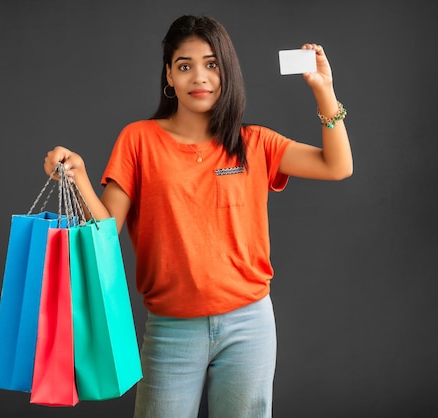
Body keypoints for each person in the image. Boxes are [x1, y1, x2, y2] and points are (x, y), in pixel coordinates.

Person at [44, 14, 352, 418]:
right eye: (184, 66)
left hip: (250, 325)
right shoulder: (139, 140)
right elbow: (106, 231)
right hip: (171, 328)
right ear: (169, 77)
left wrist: (324, 92)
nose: (199, 77)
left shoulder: (253, 143)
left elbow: (337, 165)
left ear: (226, 73)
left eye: (211, 64)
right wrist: (80, 175)